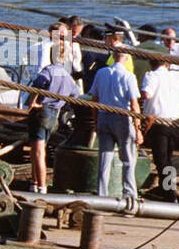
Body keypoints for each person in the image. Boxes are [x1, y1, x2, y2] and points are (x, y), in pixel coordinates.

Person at [141, 54, 179, 196]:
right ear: (167, 64)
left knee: (161, 159)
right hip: (175, 123)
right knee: (168, 157)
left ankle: (167, 189)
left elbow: (147, 94)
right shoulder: (176, 78)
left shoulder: (151, 76)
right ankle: (167, 186)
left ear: (152, 64)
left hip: (159, 123)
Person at [88, 57, 143, 198]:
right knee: (128, 160)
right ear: (126, 59)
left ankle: (102, 195)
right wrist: (138, 129)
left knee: (104, 159)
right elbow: (134, 103)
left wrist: (95, 121)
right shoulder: (129, 76)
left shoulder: (101, 73)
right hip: (122, 118)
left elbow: (94, 99)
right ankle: (130, 195)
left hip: (103, 116)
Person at [26, 59, 80, 193]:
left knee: (38, 152)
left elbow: (37, 84)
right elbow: (75, 94)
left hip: (42, 112)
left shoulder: (49, 70)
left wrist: (32, 102)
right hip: (54, 115)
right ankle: (34, 182)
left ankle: (41, 187)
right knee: (36, 149)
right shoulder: (68, 77)